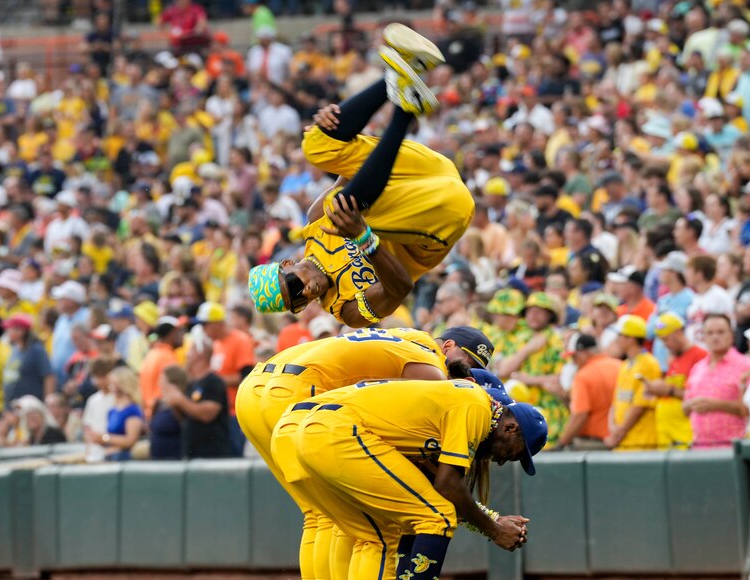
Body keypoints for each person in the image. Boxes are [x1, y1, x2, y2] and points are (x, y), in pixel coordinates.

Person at [235, 325, 494, 580]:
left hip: (258, 388)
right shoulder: (431, 365)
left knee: (319, 516)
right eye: (467, 362)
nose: (467, 373)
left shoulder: (404, 338)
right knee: (352, 523)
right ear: (448, 345)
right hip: (300, 392)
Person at [277, 379, 546, 580]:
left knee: (379, 532)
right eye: (513, 454)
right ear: (511, 428)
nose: (502, 461)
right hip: (338, 432)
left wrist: (492, 519)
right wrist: (494, 529)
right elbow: (448, 486)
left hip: (303, 433)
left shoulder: (458, 406)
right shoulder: (476, 407)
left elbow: (434, 486)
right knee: (436, 517)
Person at [247, 26, 474, 328]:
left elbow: (356, 168)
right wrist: (363, 238)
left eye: (293, 284)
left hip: (428, 172)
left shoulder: (314, 223)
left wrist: (330, 127)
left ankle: (400, 73)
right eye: (298, 300)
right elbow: (401, 289)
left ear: (286, 264)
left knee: (315, 145)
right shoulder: (346, 309)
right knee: (341, 213)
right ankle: (405, 111)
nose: (306, 291)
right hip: (441, 216)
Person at [495, 292, 565, 445]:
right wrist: (528, 349)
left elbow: (562, 379)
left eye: (539, 312)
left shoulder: (558, 339)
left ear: (550, 315)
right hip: (521, 410)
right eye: (530, 311)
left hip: (549, 409)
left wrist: (529, 380)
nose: (533, 316)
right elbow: (503, 370)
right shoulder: (520, 338)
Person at [684, 313, 750, 448]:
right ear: (703, 337)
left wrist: (715, 405)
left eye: (720, 332)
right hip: (699, 446)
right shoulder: (698, 368)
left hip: (731, 446)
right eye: (709, 333)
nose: (715, 337)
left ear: (731, 335)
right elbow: (685, 405)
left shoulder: (746, 365)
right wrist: (692, 404)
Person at [163, 327, 235, 458]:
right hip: (192, 451)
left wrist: (180, 400)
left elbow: (207, 414)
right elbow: (185, 416)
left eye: (190, 350)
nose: (187, 355)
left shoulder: (214, 381)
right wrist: (174, 404)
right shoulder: (191, 383)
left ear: (200, 354)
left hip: (213, 453)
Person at [193, 302, 252, 455]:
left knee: (233, 456)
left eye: (206, 324)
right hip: (221, 411)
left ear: (218, 323)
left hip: (235, 411)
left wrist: (213, 382)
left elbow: (246, 376)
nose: (203, 329)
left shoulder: (240, 340)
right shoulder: (216, 343)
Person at [644, 313, 707, 449]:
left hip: (685, 434)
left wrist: (668, 390)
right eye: (662, 340)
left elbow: (701, 396)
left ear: (678, 332)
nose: (665, 345)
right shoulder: (674, 358)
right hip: (667, 435)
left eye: (667, 339)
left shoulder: (699, 356)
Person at [605, 315, 661, 451]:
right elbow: (616, 402)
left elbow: (641, 404)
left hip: (641, 441)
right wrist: (613, 429)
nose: (617, 339)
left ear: (631, 338)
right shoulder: (625, 365)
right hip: (623, 441)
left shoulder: (648, 363)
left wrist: (620, 432)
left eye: (620, 335)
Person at [556, 334, 622, 451]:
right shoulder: (620, 365)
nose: (574, 362)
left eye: (574, 357)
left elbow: (580, 415)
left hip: (595, 444)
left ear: (585, 352)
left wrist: (562, 443)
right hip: (622, 438)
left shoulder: (583, 376)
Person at [86, 367, 145, 461]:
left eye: (113, 384)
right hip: (109, 456)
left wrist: (103, 438)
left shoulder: (132, 410)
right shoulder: (113, 410)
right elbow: (109, 437)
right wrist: (98, 438)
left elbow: (130, 440)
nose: (110, 387)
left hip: (123, 458)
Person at [2, 314, 54, 403]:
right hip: (13, 404)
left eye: (12, 329)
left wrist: (48, 401)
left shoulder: (36, 350)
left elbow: (48, 377)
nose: (8, 332)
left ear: (22, 331)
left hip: (31, 405)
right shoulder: (14, 348)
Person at [139, 317, 184, 419]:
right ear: (172, 333)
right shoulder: (167, 357)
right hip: (163, 413)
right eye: (180, 331)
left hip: (151, 414)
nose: (183, 336)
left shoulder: (151, 354)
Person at [150, 365, 188, 460]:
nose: (159, 383)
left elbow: (184, 424)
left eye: (162, 379)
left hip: (174, 456)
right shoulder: (159, 403)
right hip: (156, 456)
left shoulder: (181, 402)